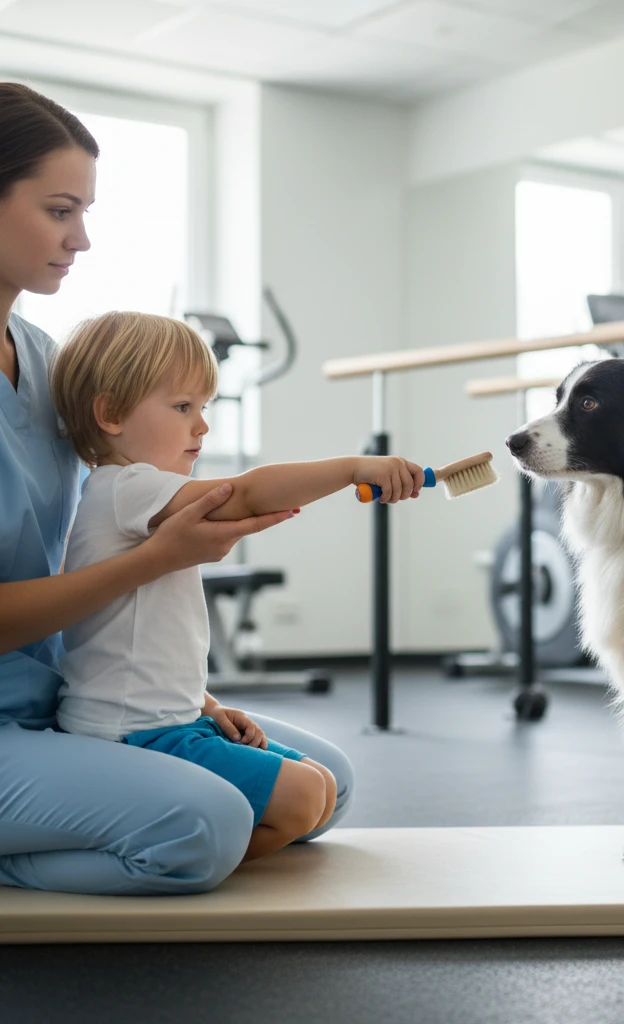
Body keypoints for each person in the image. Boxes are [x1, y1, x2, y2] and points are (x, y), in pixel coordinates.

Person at [1, 82, 372, 894]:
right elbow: (137, 556)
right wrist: (157, 559)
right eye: (60, 211)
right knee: (209, 824)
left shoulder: (44, 357)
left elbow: (98, 540)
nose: (82, 239)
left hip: (68, 700)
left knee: (330, 779)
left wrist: (194, 699)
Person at [49, 310, 424, 862]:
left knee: (319, 787)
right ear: (109, 414)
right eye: (182, 408)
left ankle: (207, 847)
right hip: (129, 734)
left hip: (166, 719)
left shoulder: (137, 494)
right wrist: (351, 469)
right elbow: (244, 494)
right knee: (302, 798)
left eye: (204, 408)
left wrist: (205, 704)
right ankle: (171, 853)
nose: (202, 427)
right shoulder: (124, 486)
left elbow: (135, 644)